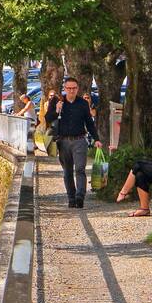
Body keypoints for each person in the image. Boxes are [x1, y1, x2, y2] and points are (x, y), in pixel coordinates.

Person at [43, 76, 102, 208]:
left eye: (74, 88)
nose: (71, 91)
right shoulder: (57, 101)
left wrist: (97, 139)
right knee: (67, 172)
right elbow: (47, 118)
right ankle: (71, 197)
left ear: (77, 89)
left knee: (80, 169)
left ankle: (80, 196)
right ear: (64, 89)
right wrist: (57, 110)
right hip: (63, 141)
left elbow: (89, 122)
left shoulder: (82, 103)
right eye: (69, 88)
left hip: (79, 140)